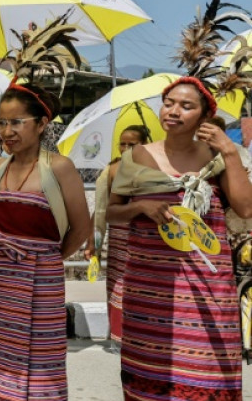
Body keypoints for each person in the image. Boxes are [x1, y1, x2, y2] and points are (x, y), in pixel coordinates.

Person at [107, 77, 252, 400]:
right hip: (149, 289)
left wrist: (229, 149)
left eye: (186, 106)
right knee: (149, 374)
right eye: (169, 103)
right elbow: (112, 213)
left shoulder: (218, 158)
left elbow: (245, 207)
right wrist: (141, 206)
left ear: (203, 117)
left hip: (208, 286)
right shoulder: (136, 158)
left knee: (209, 371)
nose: (173, 111)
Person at [0, 83, 91, 401]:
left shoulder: (60, 168)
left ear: (42, 124)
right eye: (1, 123)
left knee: (40, 367)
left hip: (40, 288)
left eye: (17, 122)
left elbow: (82, 228)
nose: (6, 131)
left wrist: (48, 260)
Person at [85, 124, 150, 351]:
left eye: (132, 144)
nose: (126, 148)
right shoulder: (111, 170)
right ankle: (119, 339)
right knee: (118, 286)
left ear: (144, 144)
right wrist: (94, 243)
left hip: (148, 239)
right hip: (121, 238)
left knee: (146, 287)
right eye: (122, 143)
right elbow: (100, 210)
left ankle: (146, 338)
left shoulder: (157, 168)